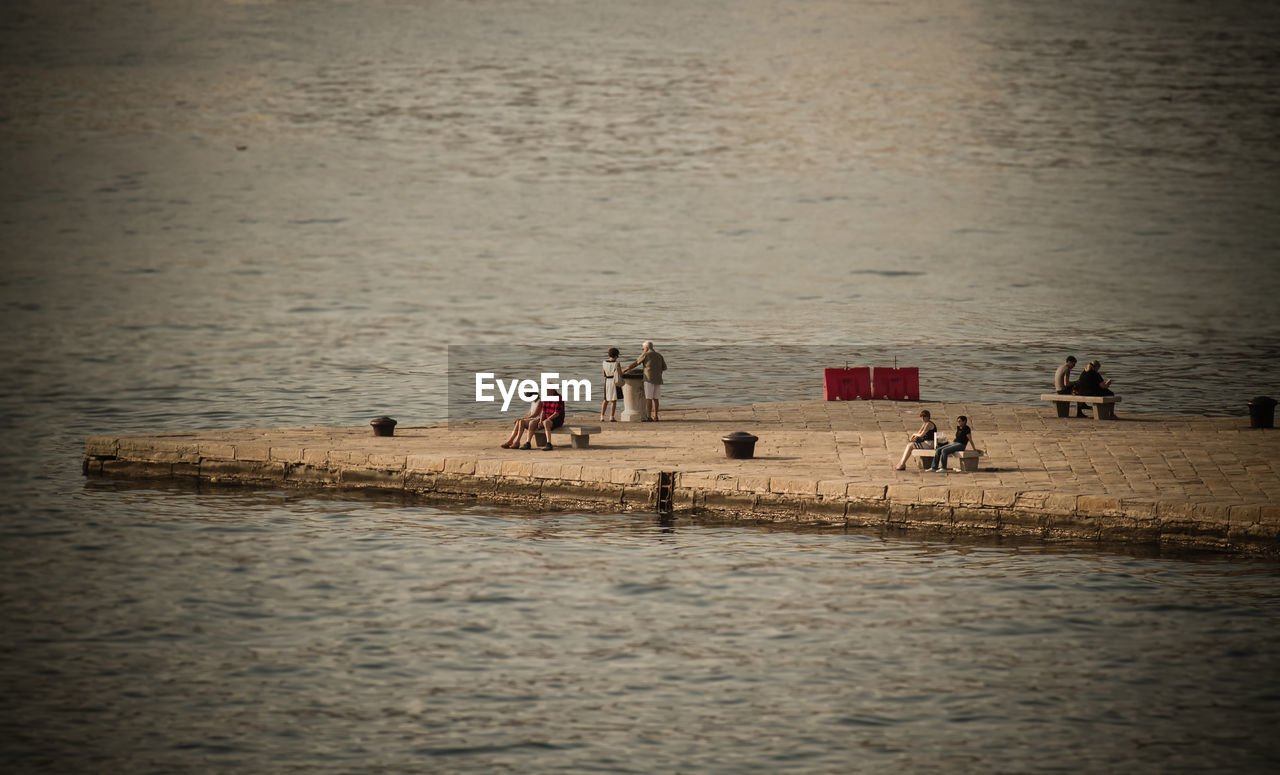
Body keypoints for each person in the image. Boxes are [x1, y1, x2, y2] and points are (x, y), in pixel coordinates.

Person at [499, 388, 565, 450]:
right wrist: (540, 421)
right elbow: (542, 412)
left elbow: (555, 413)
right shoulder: (542, 399)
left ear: (552, 390)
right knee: (527, 422)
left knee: (545, 422)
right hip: (542, 419)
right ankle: (525, 442)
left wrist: (544, 420)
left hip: (553, 419)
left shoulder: (557, 398)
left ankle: (549, 444)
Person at [623, 340, 667, 421]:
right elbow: (665, 368)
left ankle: (649, 416)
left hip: (649, 378)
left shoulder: (646, 354)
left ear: (646, 348)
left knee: (649, 398)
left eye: (643, 349)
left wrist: (625, 369)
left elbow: (636, 363)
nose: (642, 350)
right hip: (658, 378)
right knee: (656, 398)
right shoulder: (659, 355)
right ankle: (656, 416)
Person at [600, 347, 623, 422]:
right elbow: (620, 373)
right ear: (616, 356)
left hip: (607, 381)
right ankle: (611, 417)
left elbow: (604, 374)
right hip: (614, 381)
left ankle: (602, 416)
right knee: (614, 400)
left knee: (606, 399)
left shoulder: (604, 363)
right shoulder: (617, 364)